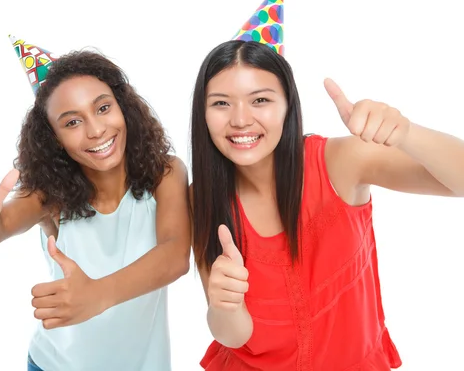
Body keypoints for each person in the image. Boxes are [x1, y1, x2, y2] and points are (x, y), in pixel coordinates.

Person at [189, 39, 464, 370]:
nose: (240, 120)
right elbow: (233, 337)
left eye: (260, 100)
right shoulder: (201, 196)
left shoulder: (340, 162)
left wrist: (405, 133)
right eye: (221, 103)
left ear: (289, 104)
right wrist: (225, 306)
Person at [0, 49, 191, 371]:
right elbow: (0, 224)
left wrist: (96, 295)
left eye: (103, 108)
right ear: (54, 139)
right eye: (72, 122)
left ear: (124, 108)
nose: (95, 130)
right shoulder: (49, 194)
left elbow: (174, 255)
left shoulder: (165, 174)